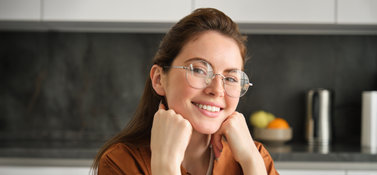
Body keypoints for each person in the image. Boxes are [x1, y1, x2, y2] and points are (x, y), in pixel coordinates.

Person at [91, 8, 278, 175]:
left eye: (230, 78)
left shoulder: (254, 156)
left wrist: (251, 161)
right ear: (159, 79)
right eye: (199, 70)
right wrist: (166, 164)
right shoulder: (121, 163)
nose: (217, 90)